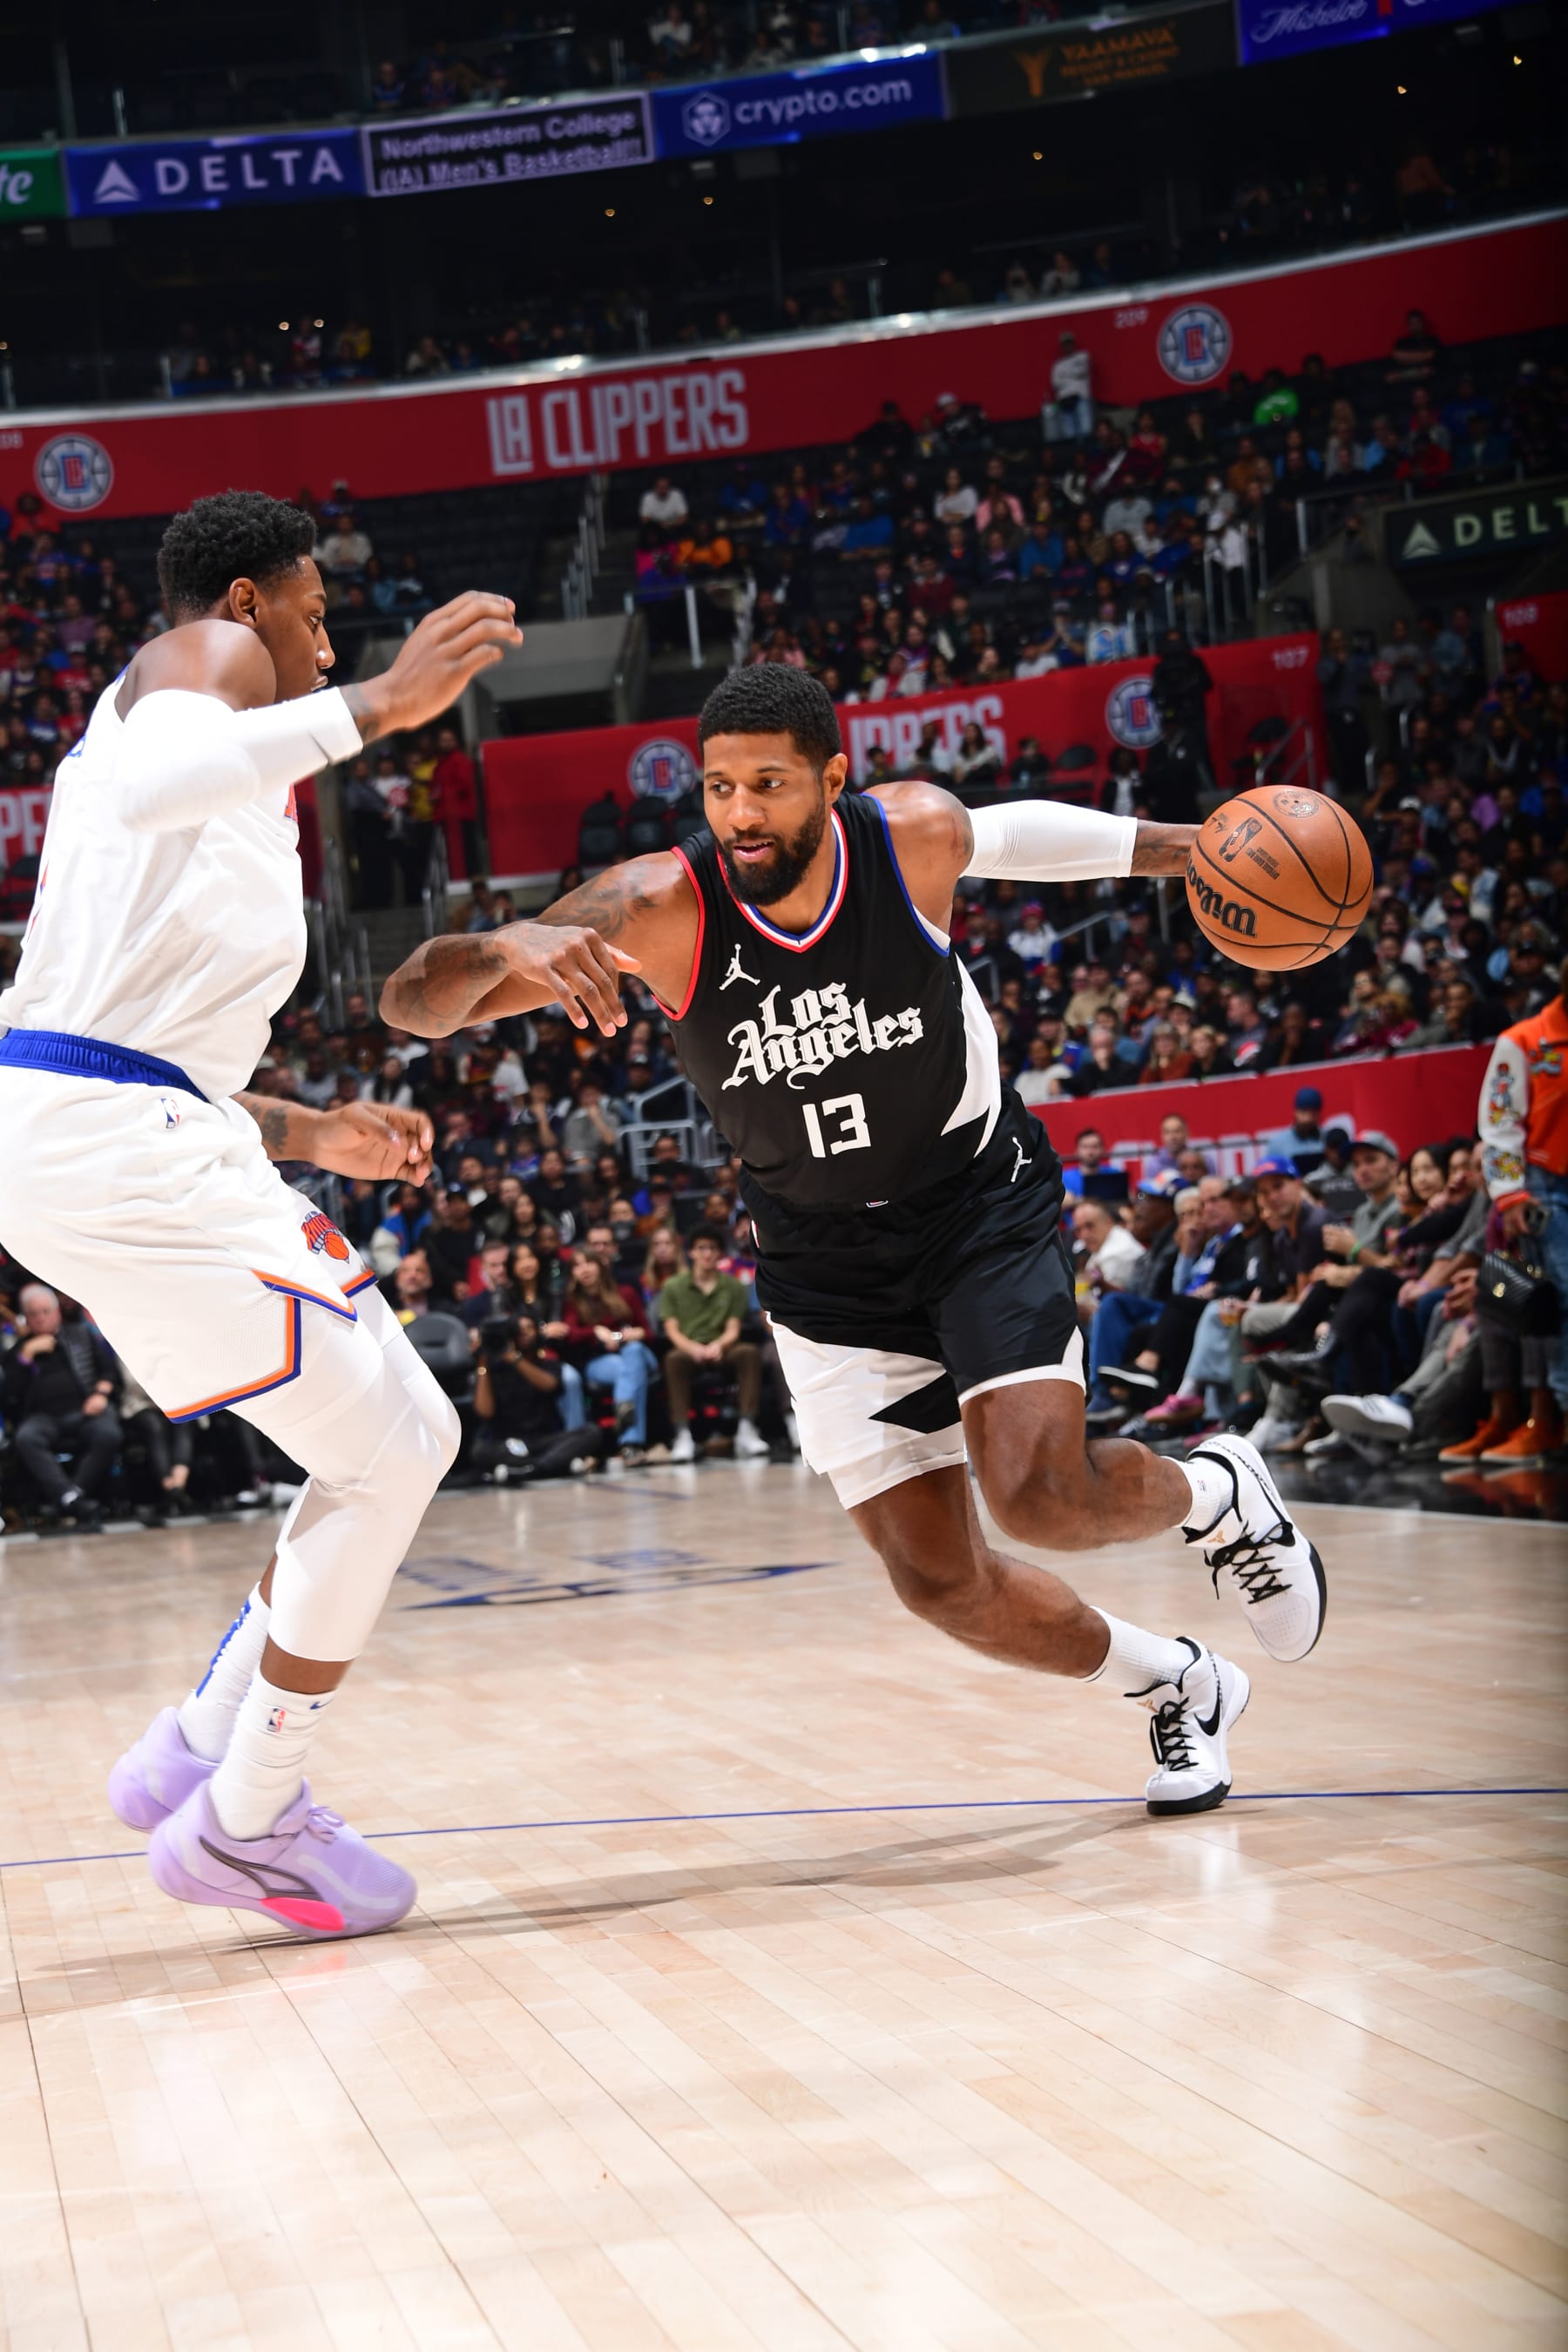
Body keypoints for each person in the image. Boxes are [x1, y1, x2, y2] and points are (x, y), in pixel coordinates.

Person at [387, 666, 1330, 1820]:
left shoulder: (909, 838)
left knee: (1033, 1497)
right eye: (720, 786)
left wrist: (1193, 849)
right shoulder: (653, 907)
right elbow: (409, 1004)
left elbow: (1011, 836)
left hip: (975, 1208)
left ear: (833, 780)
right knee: (941, 1581)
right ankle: (1179, 1680)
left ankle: (1216, 1494)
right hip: (820, 1266)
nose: (739, 812)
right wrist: (505, 946)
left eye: (770, 785)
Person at [0, 490, 520, 1940]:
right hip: (113, 1140)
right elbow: (170, 782)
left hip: (135, 1121)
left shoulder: (234, 774)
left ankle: (195, 1749)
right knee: (401, 1445)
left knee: (389, 1433)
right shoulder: (199, 669)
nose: (326, 625)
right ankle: (251, 1813)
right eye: (311, 603)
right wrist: (387, 699)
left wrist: (305, 1128)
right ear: (243, 600)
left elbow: (123, 1023)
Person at [3, 1282, 123, 1524]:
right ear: (26, 1318)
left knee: (109, 1434)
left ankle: (69, 1497)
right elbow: (9, 1395)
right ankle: (74, 1500)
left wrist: (100, 1394)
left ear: (57, 1312)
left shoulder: (80, 1334)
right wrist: (26, 1357)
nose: (41, 1319)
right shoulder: (18, 1351)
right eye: (34, 1314)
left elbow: (110, 1372)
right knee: (26, 1438)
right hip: (42, 1417)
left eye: (46, 1312)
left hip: (84, 1410)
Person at [657, 1223, 769, 1462]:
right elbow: (672, 1330)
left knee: (748, 1352)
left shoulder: (733, 1286)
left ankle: (747, 1429)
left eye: (712, 1248)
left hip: (722, 1348)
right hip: (689, 1349)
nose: (707, 1253)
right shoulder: (673, 1286)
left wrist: (720, 1346)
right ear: (691, 1253)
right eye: (701, 1248)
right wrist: (692, 1348)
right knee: (673, 1359)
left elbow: (733, 1328)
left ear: (720, 1253)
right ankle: (682, 1434)